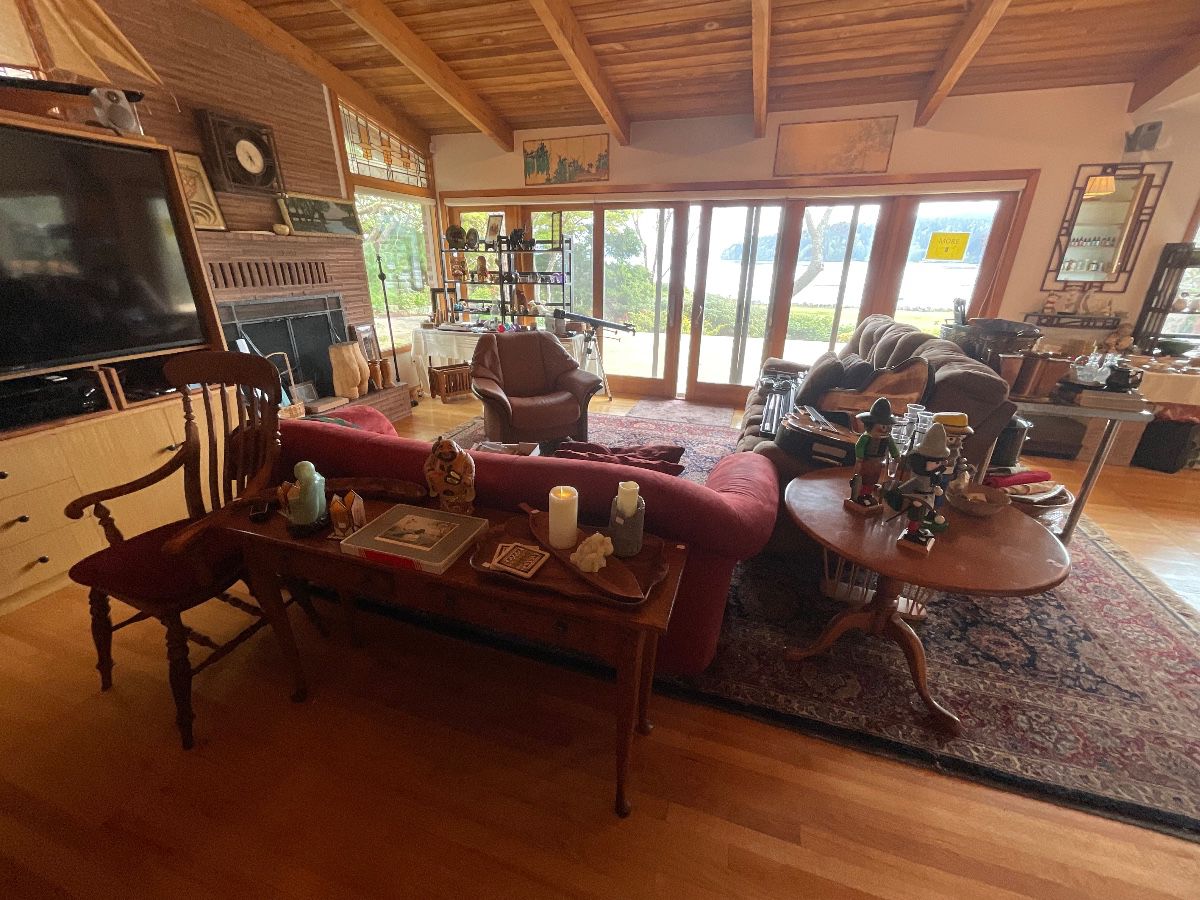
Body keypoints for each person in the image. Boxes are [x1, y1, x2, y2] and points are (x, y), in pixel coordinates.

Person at [848, 397, 900, 509]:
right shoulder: (867, 437)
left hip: (878, 462)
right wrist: (860, 457)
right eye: (883, 426)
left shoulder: (887, 438)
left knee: (873, 479)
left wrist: (896, 455)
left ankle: (868, 494)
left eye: (888, 426)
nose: (886, 429)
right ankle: (860, 495)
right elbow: (859, 446)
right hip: (867, 461)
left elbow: (892, 447)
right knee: (864, 478)